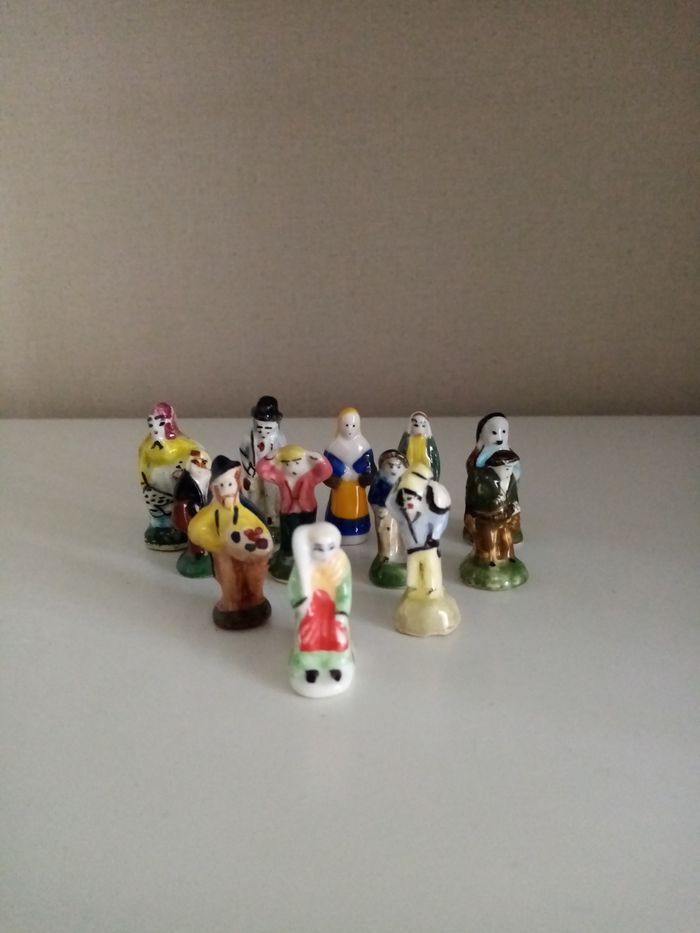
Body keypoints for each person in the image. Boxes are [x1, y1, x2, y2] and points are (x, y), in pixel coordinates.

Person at [188, 455, 273, 629]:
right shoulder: (212, 512)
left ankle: (256, 600)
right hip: (224, 557)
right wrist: (217, 544)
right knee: (230, 582)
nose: (226, 490)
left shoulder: (245, 509)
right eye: (222, 485)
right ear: (214, 488)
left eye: (229, 484)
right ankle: (232, 605)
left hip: (251, 557)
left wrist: (262, 543)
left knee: (254, 579)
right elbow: (196, 529)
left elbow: (260, 524)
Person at [288, 521, 354, 697]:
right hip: (312, 609)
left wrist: (342, 612)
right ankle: (310, 666)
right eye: (319, 548)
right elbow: (294, 587)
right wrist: (301, 603)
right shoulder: (303, 567)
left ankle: (336, 664)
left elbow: (345, 589)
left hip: (333, 608)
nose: (325, 554)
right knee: (309, 634)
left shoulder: (341, 564)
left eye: (331, 547)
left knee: (337, 634)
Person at [137, 402, 207, 550]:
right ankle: (159, 526)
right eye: (151, 423)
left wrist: (193, 463)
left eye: (160, 423)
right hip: (154, 481)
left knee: (174, 503)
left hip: (173, 480)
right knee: (156, 506)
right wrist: (144, 481)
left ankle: (179, 526)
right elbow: (142, 463)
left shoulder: (181, 443)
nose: (155, 428)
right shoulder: (146, 445)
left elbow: (197, 450)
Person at [256, 445, 332, 581]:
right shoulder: (280, 477)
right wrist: (270, 457)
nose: (292, 468)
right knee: (288, 533)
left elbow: (326, 472)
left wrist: (319, 459)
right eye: (287, 464)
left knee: (307, 532)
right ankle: (288, 555)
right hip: (287, 510)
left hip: (307, 509)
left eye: (297, 463)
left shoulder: (310, 476)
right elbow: (262, 471)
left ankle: (307, 554)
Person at [386, 466, 451, 597]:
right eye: (404, 499)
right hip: (412, 552)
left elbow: (441, 520)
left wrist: (435, 537)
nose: (407, 503)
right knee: (412, 581)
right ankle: (413, 594)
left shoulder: (428, 515)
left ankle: (433, 593)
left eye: (411, 498)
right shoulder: (402, 518)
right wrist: (398, 482)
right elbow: (389, 503)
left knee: (431, 576)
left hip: (428, 549)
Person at [464, 412, 522, 543]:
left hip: (507, 489)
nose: (499, 438)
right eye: (494, 433)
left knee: (510, 509)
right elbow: (472, 470)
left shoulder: (509, 452)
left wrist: (512, 475)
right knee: (484, 516)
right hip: (485, 494)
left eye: (503, 432)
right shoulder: (479, 455)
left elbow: (517, 469)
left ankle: (509, 531)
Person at [323, 407, 376, 545]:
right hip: (340, 488)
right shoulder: (333, 446)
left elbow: (370, 465)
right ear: (339, 425)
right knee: (338, 509)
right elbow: (326, 465)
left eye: (353, 425)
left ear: (358, 425)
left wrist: (364, 472)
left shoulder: (363, 445)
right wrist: (340, 470)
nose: (349, 429)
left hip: (357, 488)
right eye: (346, 425)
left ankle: (359, 530)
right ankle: (337, 531)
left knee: (358, 509)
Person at [239, 395, 286, 540]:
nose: (263, 430)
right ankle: (254, 520)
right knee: (254, 495)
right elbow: (243, 454)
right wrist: (249, 470)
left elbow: (283, 457)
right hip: (254, 472)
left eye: (267, 427)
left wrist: (277, 472)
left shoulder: (279, 439)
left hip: (271, 474)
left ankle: (273, 522)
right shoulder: (248, 438)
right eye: (260, 426)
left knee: (272, 496)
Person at [367, 449, 408, 587]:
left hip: (402, 515)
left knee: (403, 536)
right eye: (390, 465)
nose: (394, 469)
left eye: (398, 466)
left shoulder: (405, 482)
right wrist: (378, 508)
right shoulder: (379, 481)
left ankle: (403, 556)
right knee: (387, 536)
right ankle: (386, 557)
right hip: (385, 514)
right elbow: (372, 497)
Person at [398, 411, 440, 479]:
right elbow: (400, 456)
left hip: (425, 474)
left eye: (423, 425)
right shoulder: (407, 441)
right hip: (409, 474)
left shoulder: (429, 442)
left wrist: (435, 476)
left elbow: (435, 460)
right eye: (416, 425)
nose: (419, 428)